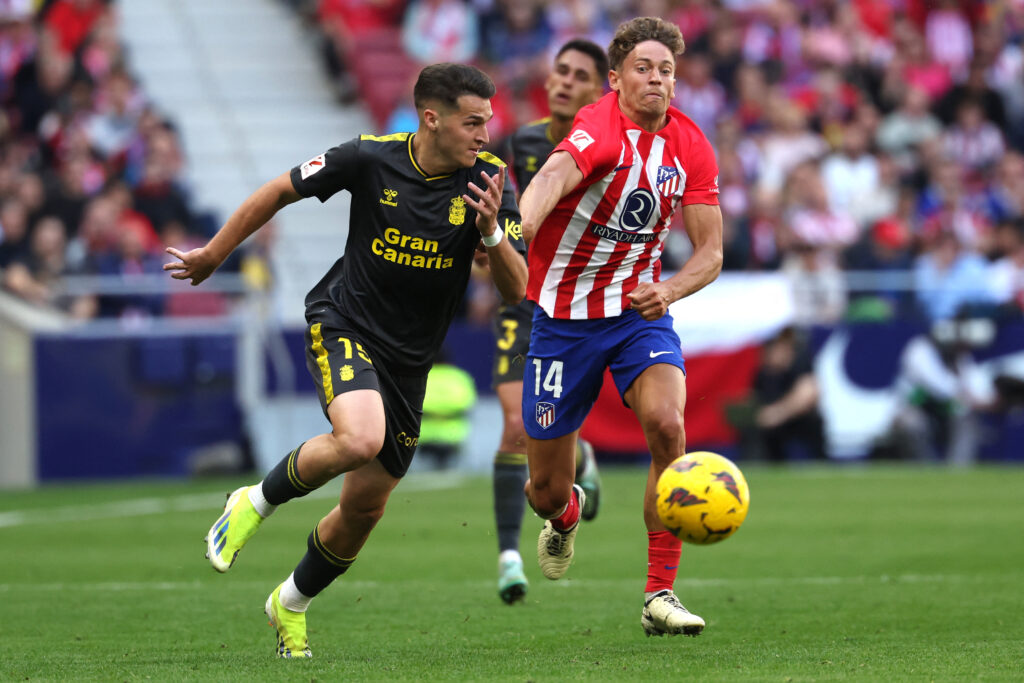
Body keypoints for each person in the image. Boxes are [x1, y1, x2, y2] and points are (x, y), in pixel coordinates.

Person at [163, 63, 527, 658]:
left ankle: (291, 602)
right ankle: (253, 501)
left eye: (488, 121)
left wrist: (491, 233)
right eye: (473, 122)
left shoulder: (489, 180)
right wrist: (214, 255)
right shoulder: (370, 158)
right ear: (432, 119)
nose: (486, 133)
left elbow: (515, 289)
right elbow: (279, 190)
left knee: (363, 508)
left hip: (411, 363)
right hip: (345, 323)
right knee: (359, 438)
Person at [517, 17, 723, 637]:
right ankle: (568, 511)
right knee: (544, 492)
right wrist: (516, 229)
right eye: (643, 68)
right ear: (615, 79)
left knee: (668, 426)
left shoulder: (690, 144)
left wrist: (671, 287)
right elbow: (551, 178)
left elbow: (710, 251)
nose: (656, 79)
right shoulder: (598, 126)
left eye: (665, 70)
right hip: (564, 321)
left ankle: (660, 594)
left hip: (638, 315)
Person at [490, 38, 607, 606]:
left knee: (547, 434)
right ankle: (509, 556)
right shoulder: (526, 140)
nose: (563, 82)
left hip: (579, 302)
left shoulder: (611, 144)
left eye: (578, 75)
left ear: (598, 90)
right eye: (558, 71)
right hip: (524, 300)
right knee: (515, 420)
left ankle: (578, 459)